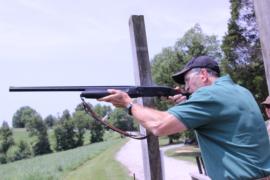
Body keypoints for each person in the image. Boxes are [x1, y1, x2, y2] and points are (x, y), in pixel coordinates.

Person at [98, 55, 270, 179]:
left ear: (203, 75)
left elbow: (159, 125)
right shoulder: (241, 91)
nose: (186, 88)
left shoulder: (210, 95)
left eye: (187, 81)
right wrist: (185, 106)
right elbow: (219, 122)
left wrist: (129, 104)